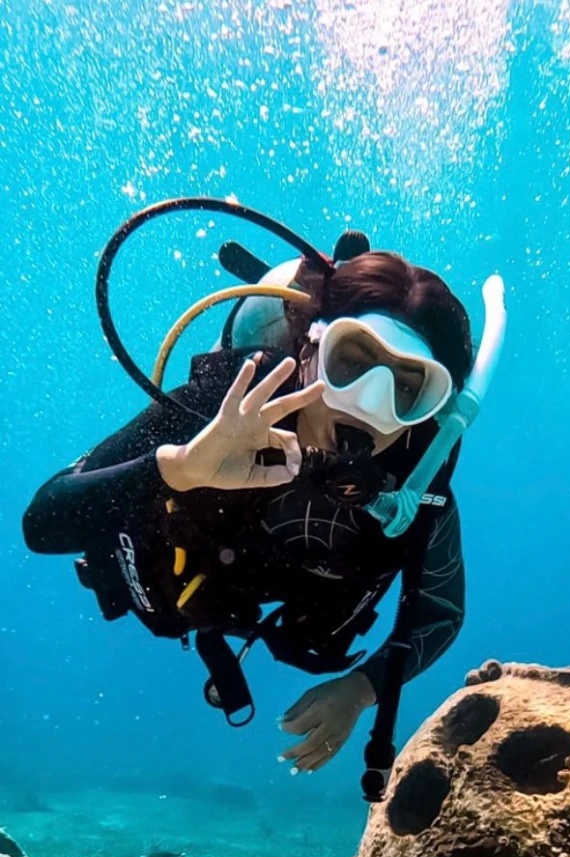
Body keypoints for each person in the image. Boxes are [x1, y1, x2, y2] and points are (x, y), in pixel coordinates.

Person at [23, 236, 473, 776]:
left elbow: (440, 612)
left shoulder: (417, 485)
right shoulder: (225, 406)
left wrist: (362, 689)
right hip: (190, 575)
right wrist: (178, 468)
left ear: (428, 411)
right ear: (310, 349)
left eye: (408, 387)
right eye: (351, 361)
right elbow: (43, 521)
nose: (371, 405)